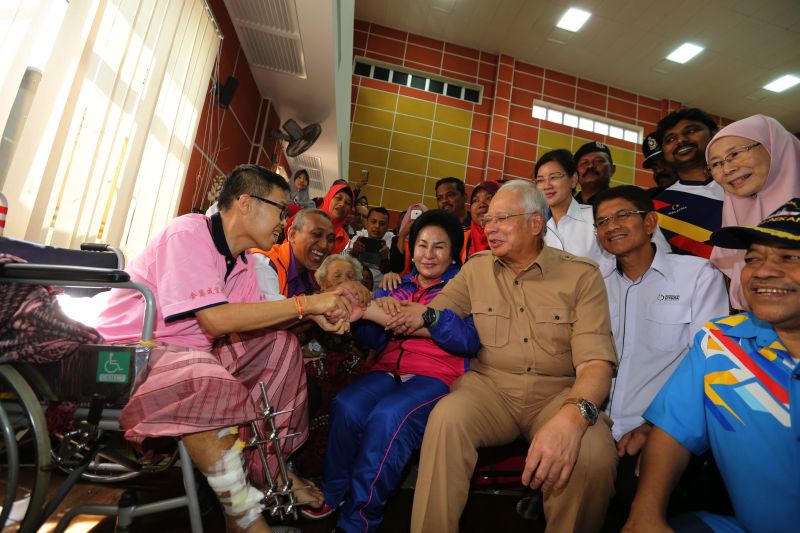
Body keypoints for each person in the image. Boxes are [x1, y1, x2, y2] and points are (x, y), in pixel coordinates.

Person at [94, 164, 361, 533]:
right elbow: (215, 322)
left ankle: (266, 466)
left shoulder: (245, 262)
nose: (284, 222)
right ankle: (242, 513)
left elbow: (259, 321)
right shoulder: (188, 233)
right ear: (246, 202)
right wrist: (309, 305)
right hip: (128, 352)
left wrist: (315, 316)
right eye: (281, 210)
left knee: (281, 346)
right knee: (202, 376)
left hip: (190, 357)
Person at [385, 180, 618, 533]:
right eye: (488, 220)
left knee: (593, 453)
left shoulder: (580, 276)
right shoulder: (476, 268)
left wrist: (572, 419)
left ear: (536, 224)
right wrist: (364, 304)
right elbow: (427, 316)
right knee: (447, 418)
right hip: (490, 390)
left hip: (558, 394)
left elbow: (596, 364)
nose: (489, 227)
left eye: (502, 218)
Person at [623, 198, 800, 533]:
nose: (762, 271)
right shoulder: (721, 342)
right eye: (752, 259)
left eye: (789, 257)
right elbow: (673, 432)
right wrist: (645, 514)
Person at [317, 210, 479, 532]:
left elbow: (469, 340)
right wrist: (361, 318)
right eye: (421, 245)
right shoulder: (398, 285)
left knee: (388, 418)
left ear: (454, 252)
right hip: (388, 369)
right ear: (411, 248)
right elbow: (374, 337)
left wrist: (428, 317)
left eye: (439, 247)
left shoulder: (465, 290)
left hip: (434, 377)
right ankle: (332, 494)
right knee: (346, 406)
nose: (428, 255)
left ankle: (359, 520)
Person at [592, 186, 728, 527]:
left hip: (661, 431)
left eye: (622, 215)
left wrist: (658, 426)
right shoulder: (594, 284)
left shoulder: (697, 275)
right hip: (597, 427)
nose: (611, 226)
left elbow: (707, 364)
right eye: (602, 221)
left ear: (650, 221)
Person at [705, 114, 800, 311]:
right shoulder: (734, 224)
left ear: (775, 147)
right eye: (716, 163)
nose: (727, 169)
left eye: (735, 154)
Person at [653, 108, 724, 258]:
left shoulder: (743, 181)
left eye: (691, 131)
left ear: (713, 134)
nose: (681, 141)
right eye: (670, 139)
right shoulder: (658, 208)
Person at [534, 149, 610, 265]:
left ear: (573, 179)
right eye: (540, 180)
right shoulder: (534, 225)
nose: (547, 185)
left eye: (554, 177)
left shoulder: (596, 217)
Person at [252, 208, 335, 301]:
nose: (324, 245)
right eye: (316, 234)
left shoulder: (307, 278)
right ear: (292, 235)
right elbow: (270, 312)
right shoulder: (264, 263)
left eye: (331, 239)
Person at [345, 206, 394, 290]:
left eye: (382, 224)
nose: (377, 226)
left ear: (387, 227)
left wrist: (385, 258)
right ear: (366, 223)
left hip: (380, 289)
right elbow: (347, 265)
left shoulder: (392, 242)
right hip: (354, 285)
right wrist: (354, 252)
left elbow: (389, 272)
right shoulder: (358, 237)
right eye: (373, 221)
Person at [463, 180, 501, 261]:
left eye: (489, 198)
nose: (481, 204)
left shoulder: (508, 237)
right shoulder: (463, 239)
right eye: (475, 200)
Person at [389, 202, 428, 275]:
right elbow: (395, 267)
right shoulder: (397, 239)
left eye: (420, 214)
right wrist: (402, 236)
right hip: (400, 282)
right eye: (413, 213)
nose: (416, 218)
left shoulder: (429, 243)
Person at [573, 141, 616, 205]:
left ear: (612, 169)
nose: (590, 166)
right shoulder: (566, 206)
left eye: (598, 161)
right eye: (584, 163)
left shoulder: (621, 204)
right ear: (575, 173)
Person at [641, 132, 678, 197]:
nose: (658, 171)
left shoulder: (700, 190)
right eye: (654, 168)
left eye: (664, 163)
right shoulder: (648, 199)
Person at [321, 183, 355, 254]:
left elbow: (342, 262)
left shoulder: (346, 241)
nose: (342, 204)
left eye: (348, 203)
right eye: (338, 198)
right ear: (329, 199)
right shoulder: (308, 221)